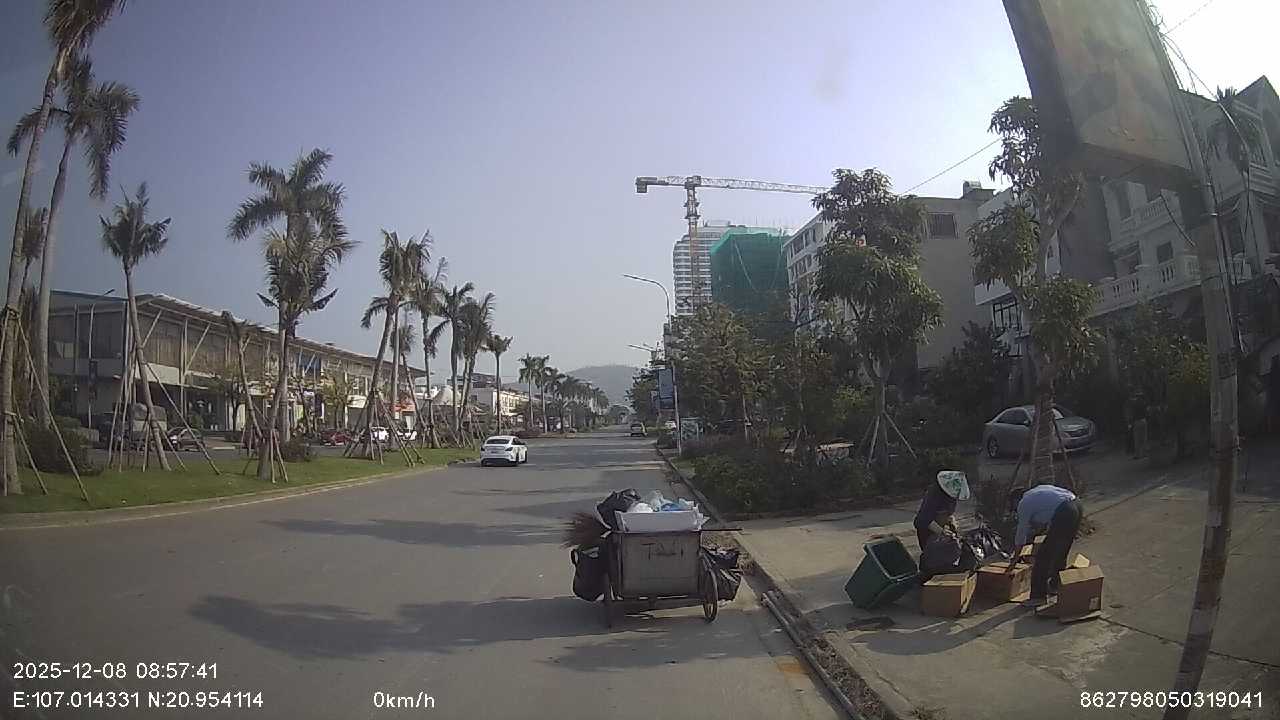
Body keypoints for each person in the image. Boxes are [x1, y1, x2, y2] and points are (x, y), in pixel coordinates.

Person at [1010, 483, 1083, 605]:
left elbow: (1021, 533)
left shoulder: (1023, 504)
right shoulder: (1037, 492)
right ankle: (1055, 585)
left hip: (1065, 511)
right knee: (1061, 551)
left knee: (1043, 557)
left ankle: (1038, 597)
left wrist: (1015, 558)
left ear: (1016, 500)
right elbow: (1045, 519)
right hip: (1077, 505)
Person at [914, 470, 971, 553]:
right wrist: (941, 531)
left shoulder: (950, 497)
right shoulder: (934, 496)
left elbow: (946, 512)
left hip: (938, 531)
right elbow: (921, 520)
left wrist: (951, 521)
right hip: (927, 535)